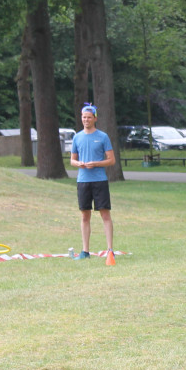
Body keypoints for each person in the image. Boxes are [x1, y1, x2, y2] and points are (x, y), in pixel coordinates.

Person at [71, 103, 115, 260]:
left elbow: (111, 160)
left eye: (89, 117)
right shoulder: (77, 137)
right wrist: (79, 164)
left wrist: (96, 163)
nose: (86, 120)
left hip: (99, 180)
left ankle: (110, 249)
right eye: (84, 117)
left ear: (95, 118)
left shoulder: (103, 137)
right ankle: (85, 251)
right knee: (84, 215)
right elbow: (72, 160)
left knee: (105, 214)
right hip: (83, 181)